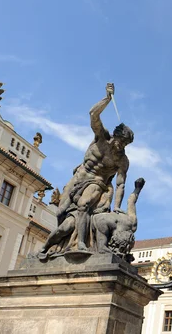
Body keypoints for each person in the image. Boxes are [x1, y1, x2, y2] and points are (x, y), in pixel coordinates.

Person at [38, 83, 133, 257]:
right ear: (116, 135)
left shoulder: (122, 160)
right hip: (79, 177)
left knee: (84, 206)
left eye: (126, 144)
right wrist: (107, 98)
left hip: (97, 183)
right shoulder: (101, 138)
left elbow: (120, 184)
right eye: (122, 141)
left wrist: (117, 206)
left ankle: (81, 242)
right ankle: (53, 248)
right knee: (59, 212)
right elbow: (93, 114)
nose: (122, 146)